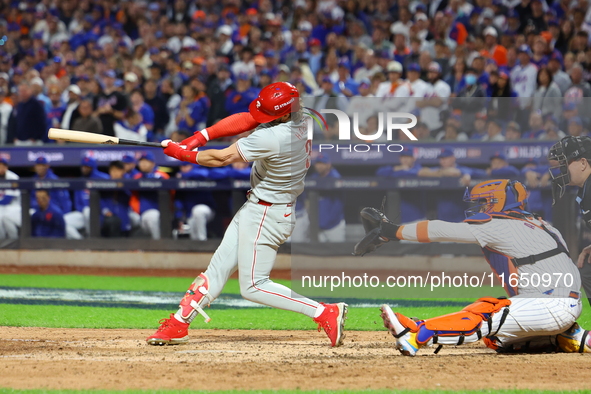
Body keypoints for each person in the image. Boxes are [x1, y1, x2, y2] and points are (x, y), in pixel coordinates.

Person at [147, 82, 347, 348]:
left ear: (285, 114)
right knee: (216, 271)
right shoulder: (300, 114)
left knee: (253, 286)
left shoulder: (274, 137)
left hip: (268, 214)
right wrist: (201, 136)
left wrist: (183, 154)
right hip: (259, 207)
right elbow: (249, 118)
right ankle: (179, 322)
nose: (261, 118)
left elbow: (220, 159)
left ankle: (323, 312)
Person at [353, 179, 587, 355]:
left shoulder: (498, 224)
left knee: (487, 312)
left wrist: (391, 231)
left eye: (485, 202)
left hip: (551, 305)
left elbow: (440, 230)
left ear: (499, 202)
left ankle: (415, 335)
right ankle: (568, 337)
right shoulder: (543, 225)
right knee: (495, 338)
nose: (481, 208)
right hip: (563, 305)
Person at [548, 136, 591, 308]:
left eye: (566, 162)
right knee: (586, 270)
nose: (562, 169)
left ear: (583, 163)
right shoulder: (586, 189)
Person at [64, 156, 109, 239]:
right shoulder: (80, 181)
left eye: (87, 166)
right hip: (83, 214)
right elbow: (77, 204)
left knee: (87, 211)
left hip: (99, 214)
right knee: (63, 221)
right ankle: (81, 242)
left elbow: (107, 198)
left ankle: (93, 239)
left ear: (92, 167)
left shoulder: (103, 178)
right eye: (83, 166)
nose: (84, 168)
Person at [376, 147, 425, 223]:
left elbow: (414, 173)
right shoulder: (397, 169)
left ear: (413, 158)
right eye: (403, 157)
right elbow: (380, 172)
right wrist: (397, 169)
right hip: (404, 218)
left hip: (419, 216)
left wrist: (399, 172)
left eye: (408, 157)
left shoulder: (419, 169)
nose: (405, 159)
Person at [130, 152, 169, 240]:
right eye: (141, 161)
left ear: (152, 163)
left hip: (157, 214)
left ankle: (160, 245)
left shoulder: (161, 175)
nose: (143, 164)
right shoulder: (136, 177)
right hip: (138, 214)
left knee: (152, 217)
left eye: (146, 161)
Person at [174, 162, 216, 241]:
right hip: (190, 215)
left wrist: (184, 175)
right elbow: (179, 201)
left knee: (198, 210)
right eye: (182, 166)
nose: (184, 169)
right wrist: (179, 218)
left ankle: (203, 241)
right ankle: (198, 248)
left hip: (207, 210)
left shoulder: (200, 172)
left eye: (186, 166)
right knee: (193, 236)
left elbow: (204, 174)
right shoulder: (180, 180)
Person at [100, 161, 131, 237]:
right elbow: (100, 200)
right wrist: (105, 211)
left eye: (118, 170)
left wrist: (121, 185)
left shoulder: (128, 184)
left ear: (123, 171)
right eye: (113, 170)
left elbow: (130, 196)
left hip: (124, 214)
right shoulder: (104, 185)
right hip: (107, 217)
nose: (115, 173)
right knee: (112, 221)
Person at [0, 158, 20, 239]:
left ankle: (13, 241)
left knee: (3, 218)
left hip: (13, 206)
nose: (0, 168)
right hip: (1, 206)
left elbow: (8, 199)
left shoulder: (13, 177)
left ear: (6, 167)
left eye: (2, 166)